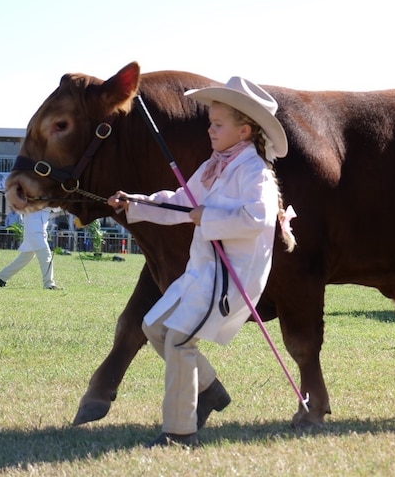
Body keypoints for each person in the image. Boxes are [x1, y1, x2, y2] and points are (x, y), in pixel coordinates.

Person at [107, 76, 296, 448]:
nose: (210, 130)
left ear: (244, 130)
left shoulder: (254, 171)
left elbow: (256, 218)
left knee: (177, 342)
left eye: (218, 124)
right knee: (155, 327)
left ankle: (179, 432)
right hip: (203, 272)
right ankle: (208, 390)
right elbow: (182, 200)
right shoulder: (217, 165)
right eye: (210, 122)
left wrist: (206, 215)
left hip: (230, 278)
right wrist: (137, 202)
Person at [0, 207, 59, 290]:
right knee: (45, 255)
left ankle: (1, 276)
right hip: (35, 229)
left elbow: (56, 207)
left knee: (26, 257)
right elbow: (54, 205)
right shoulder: (40, 195)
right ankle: (49, 284)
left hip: (35, 227)